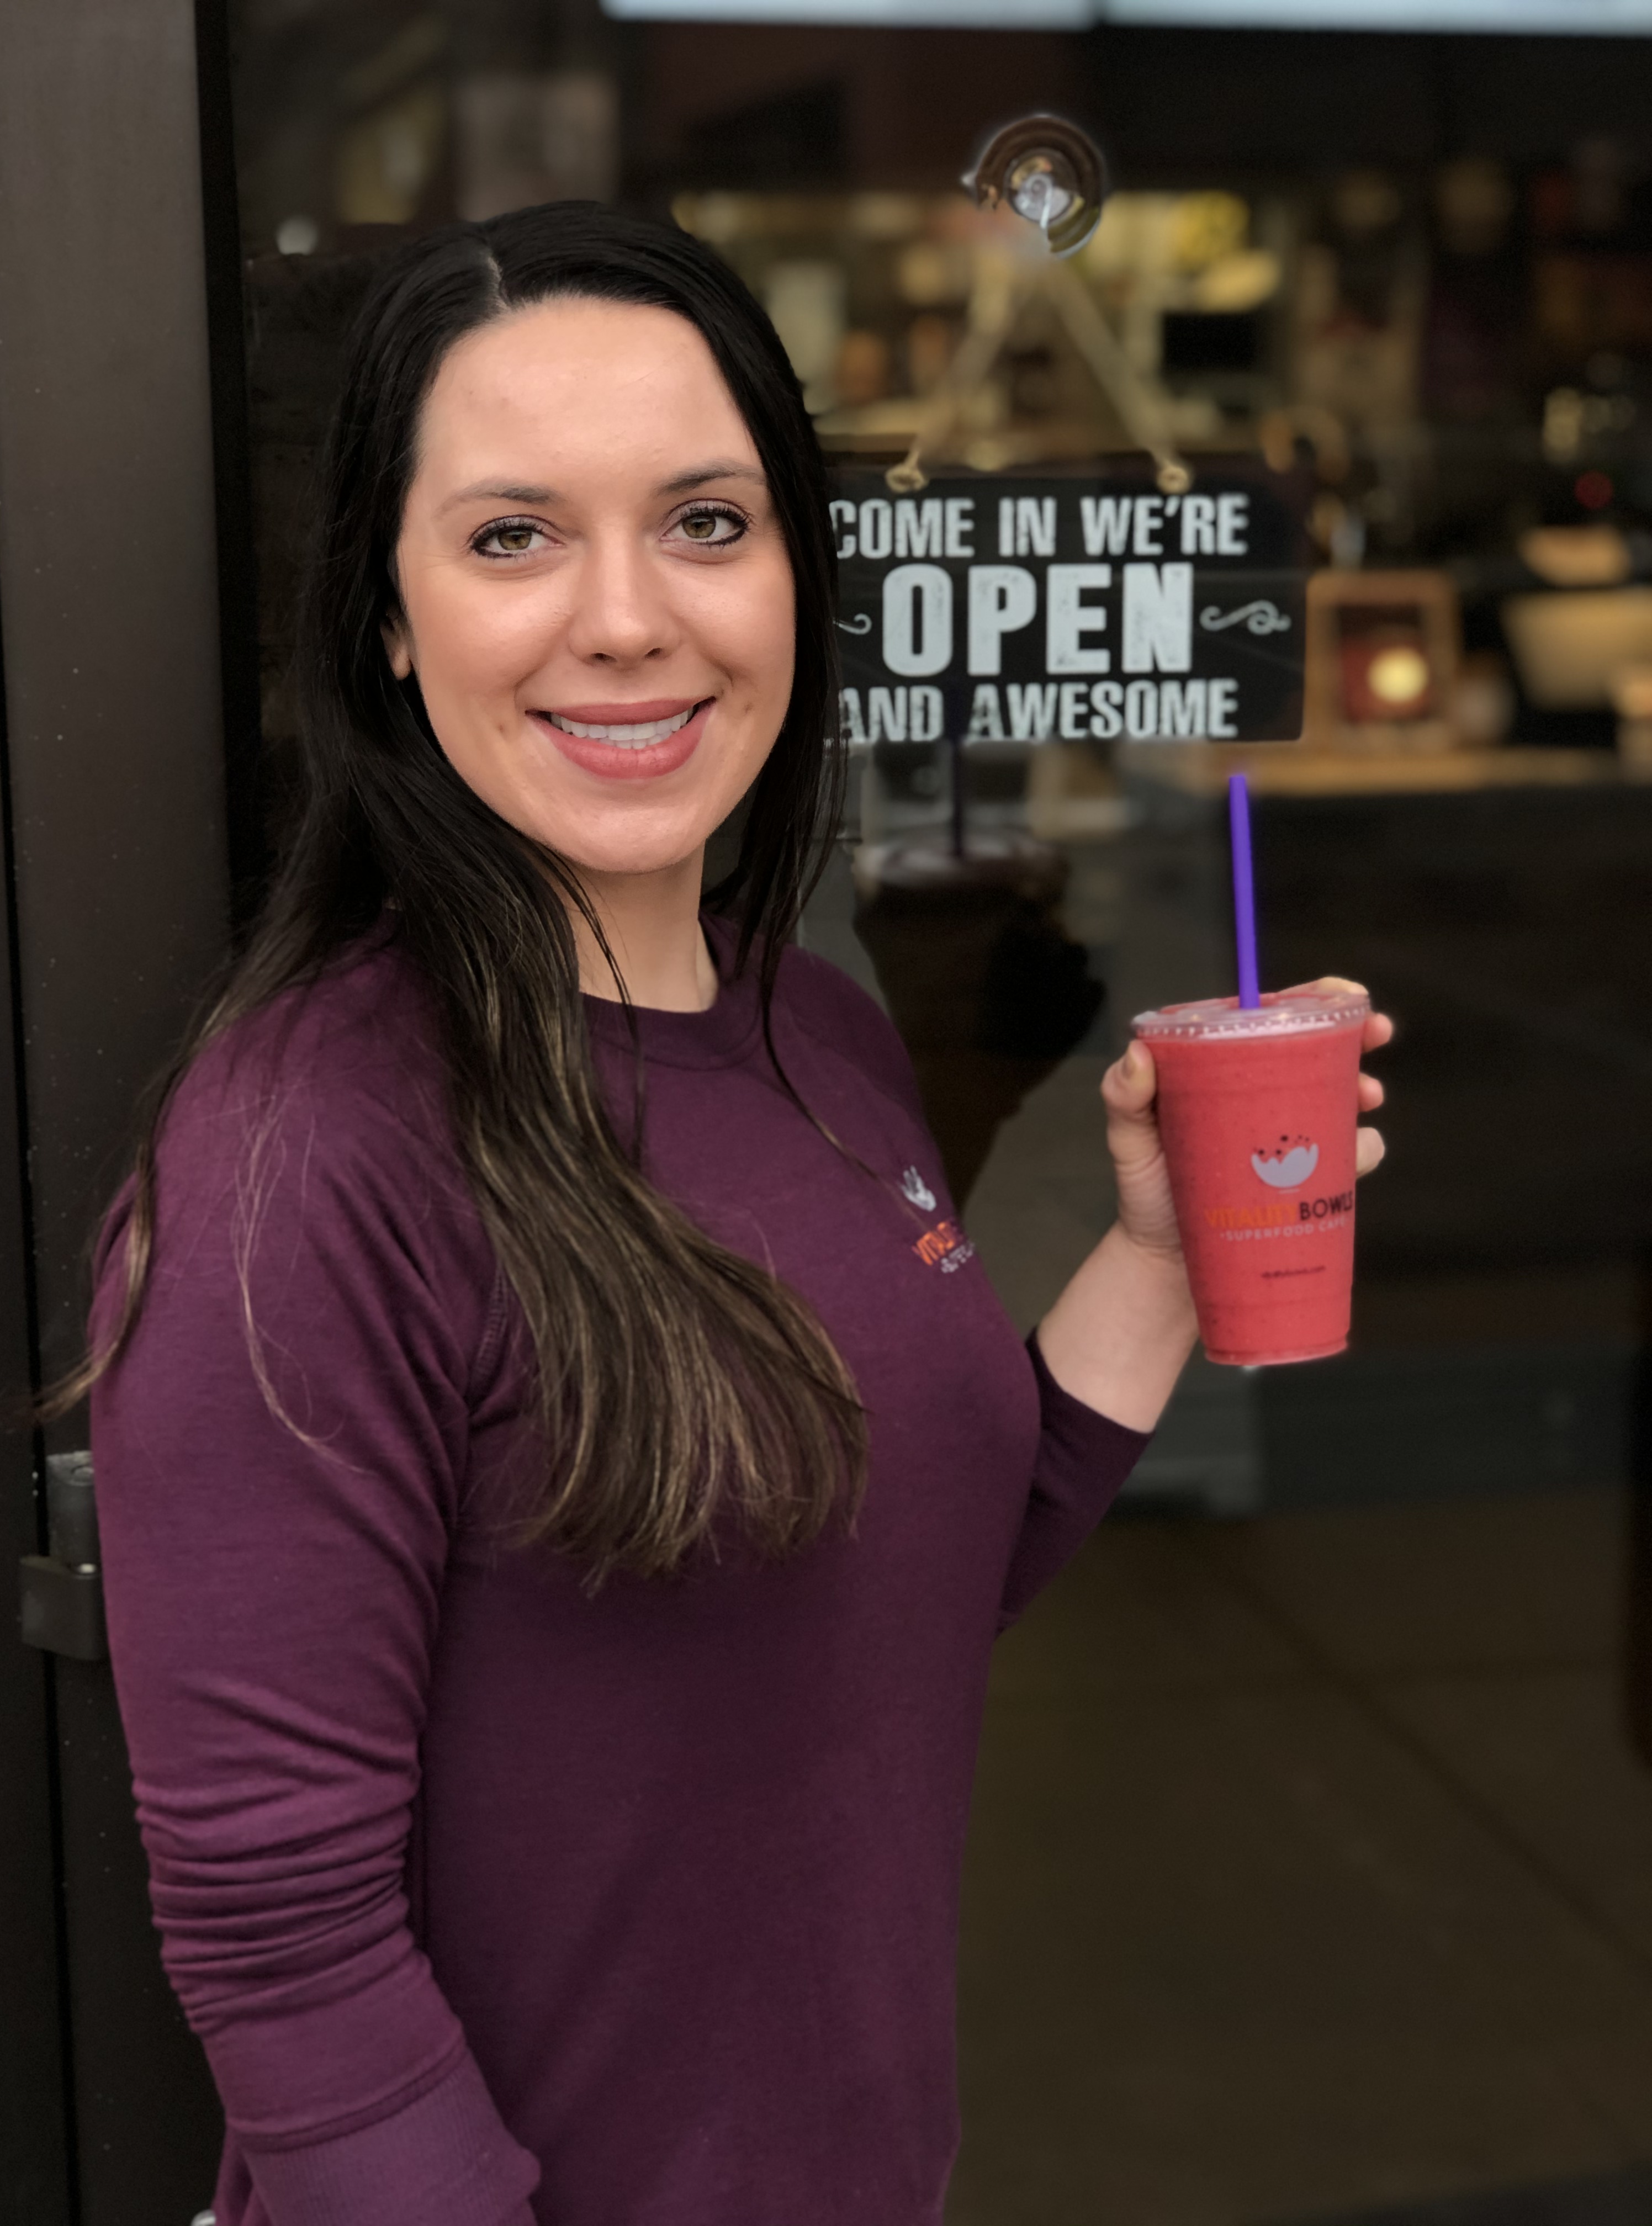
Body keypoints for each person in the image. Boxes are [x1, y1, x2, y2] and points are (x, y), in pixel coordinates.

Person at [86, 202, 1391, 2226]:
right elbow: (285, 1948)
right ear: (389, 618)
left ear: (796, 576)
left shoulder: (819, 1031)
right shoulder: (307, 1156)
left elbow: (897, 1595)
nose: (628, 618)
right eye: (514, 535)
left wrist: (1153, 1250)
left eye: (705, 521)